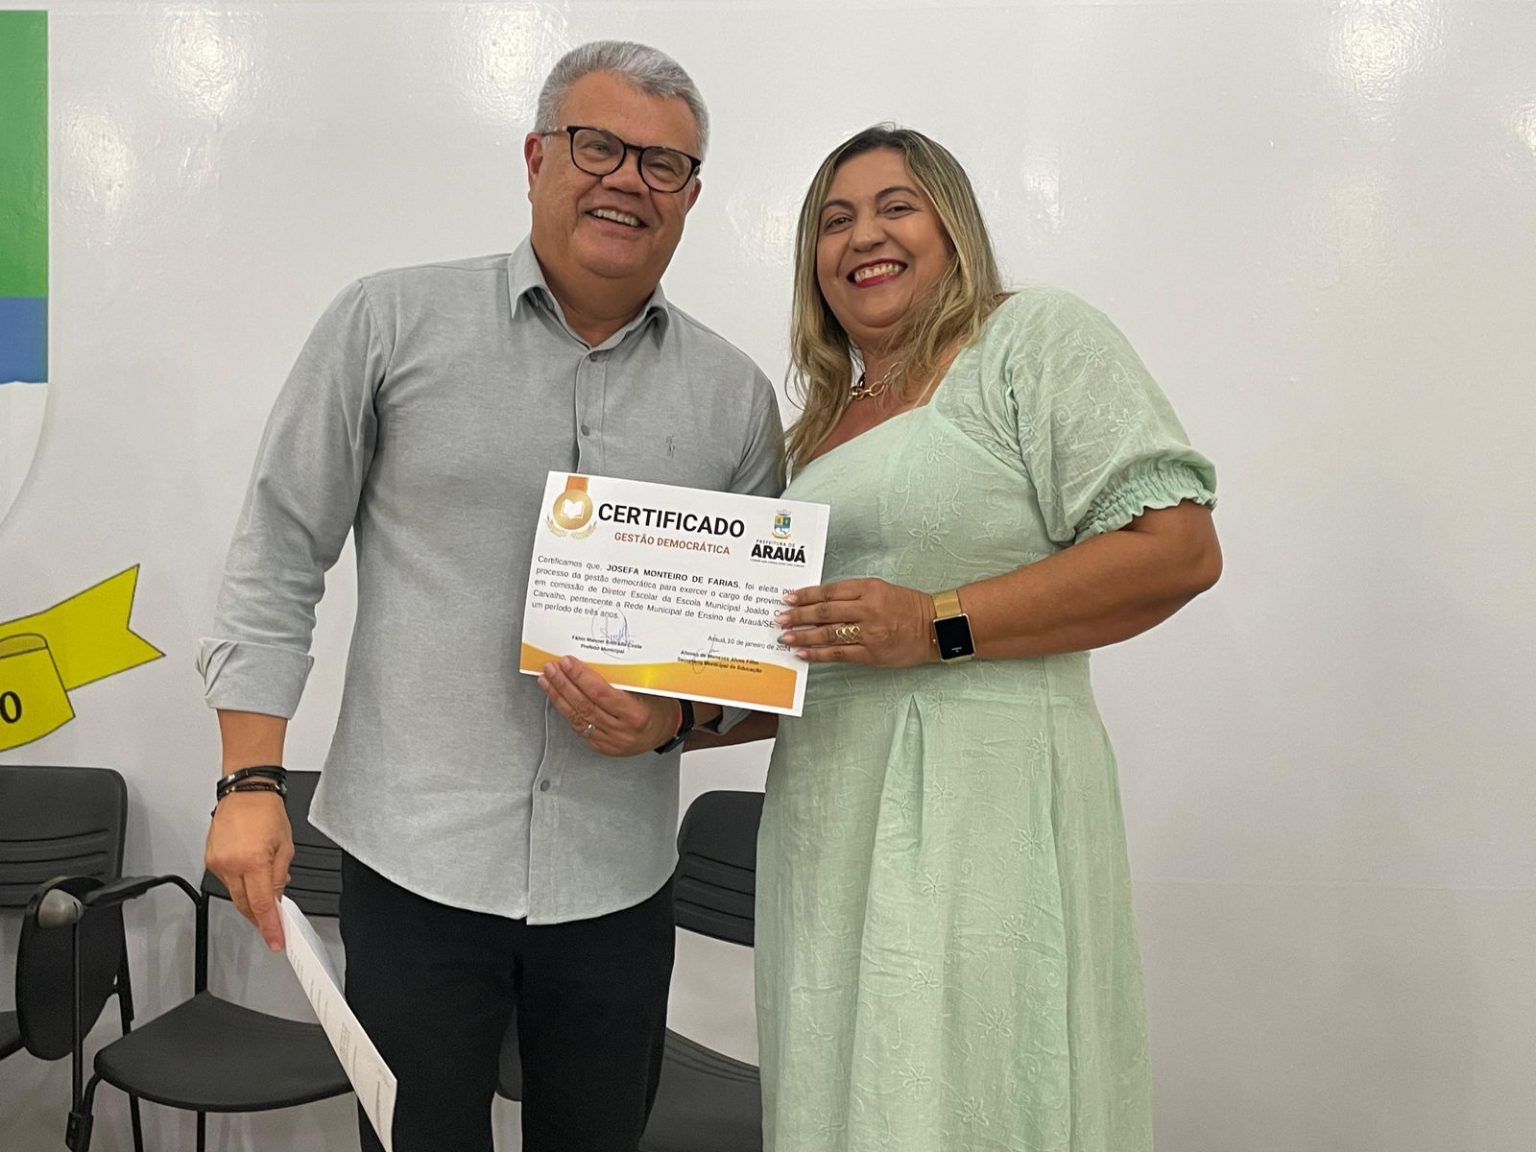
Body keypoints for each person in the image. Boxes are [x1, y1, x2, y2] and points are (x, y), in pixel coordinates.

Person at [198, 41, 783, 1152]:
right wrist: (249, 778)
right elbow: (277, 553)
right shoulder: (387, 323)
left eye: (663, 164)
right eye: (598, 145)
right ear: (536, 157)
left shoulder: (736, 399)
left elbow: (747, 659)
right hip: (414, 867)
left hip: (616, 885)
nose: (628, 180)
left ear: (692, 196)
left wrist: (672, 721)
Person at [761, 126, 1220, 1151]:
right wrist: (662, 717)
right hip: (825, 826)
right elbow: (805, 657)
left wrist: (935, 623)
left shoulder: (1030, 340)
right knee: (849, 1090)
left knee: (980, 1081)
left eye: (896, 206)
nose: (863, 236)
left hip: (984, 810)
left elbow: (1179, 550)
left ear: (954, 226)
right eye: (834, 221)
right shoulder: (814, 431)